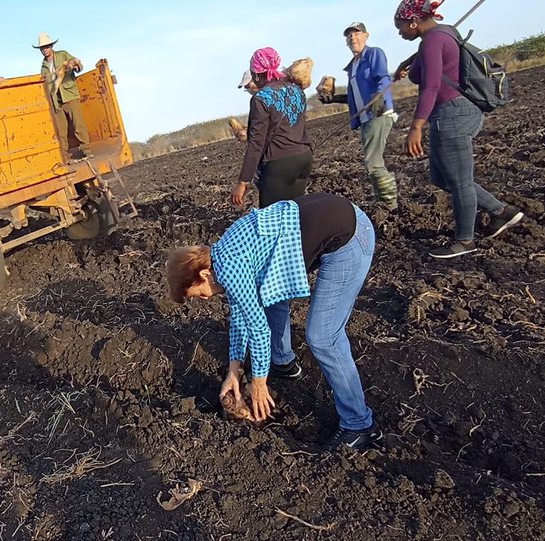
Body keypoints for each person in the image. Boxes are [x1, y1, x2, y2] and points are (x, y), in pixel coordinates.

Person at [166, 194, 381, 449]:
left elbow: (258, 329)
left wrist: (258, 383)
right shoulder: (222, 254)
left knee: (323, 336)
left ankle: (359, 425)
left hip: (350, 237)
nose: (203, 299)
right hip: (336, 217)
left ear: (203, 274)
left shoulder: (230, 267)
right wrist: (233, 371)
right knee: (267, 297)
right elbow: (240, 314)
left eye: (198, 294)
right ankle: (284, 364)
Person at [395, 0, 524, 258]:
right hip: (453, 113)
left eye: (400, 28)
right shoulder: (444, 33)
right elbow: (426, 60)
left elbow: (430, 86)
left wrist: (416, 126)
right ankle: (501, 212)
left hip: (451, 114)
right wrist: (405, 63)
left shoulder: (432, 42)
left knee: (459, 182)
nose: (400, 33)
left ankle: (465, 242)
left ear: (413, 22)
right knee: (441, 178)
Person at [318, 22, 401, 210]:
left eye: (356, 34)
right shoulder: (353, 67)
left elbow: (383, 77)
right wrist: (332, 99)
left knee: (373, 163)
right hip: (364, 119)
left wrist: (379, 96)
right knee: (373, 162)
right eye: (349, 36)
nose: (352, 38)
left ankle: (389, 205)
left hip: (378, 113)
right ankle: (382, 203)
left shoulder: (374, 54)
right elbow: (355, 97)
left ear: (366, 35)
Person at [231, 48, 313, 209]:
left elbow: (256, 144)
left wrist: (243, 181)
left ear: (256, 73)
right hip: (304, 159)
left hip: (280, 163)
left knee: (271, 218)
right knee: (296, 214)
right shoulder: (297, 90)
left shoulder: (260, 99)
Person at [35, 32, 91, 160]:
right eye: (42, 48)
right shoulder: (43, 67)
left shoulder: (63, 55)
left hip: (69, 95)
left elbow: (78, 65)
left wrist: (74, 64)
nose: (45, 50)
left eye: (47, 46)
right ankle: (65, 157)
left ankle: (87, 151)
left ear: (51, 46)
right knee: (61, 131)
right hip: (56, 101)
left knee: (78, 125)